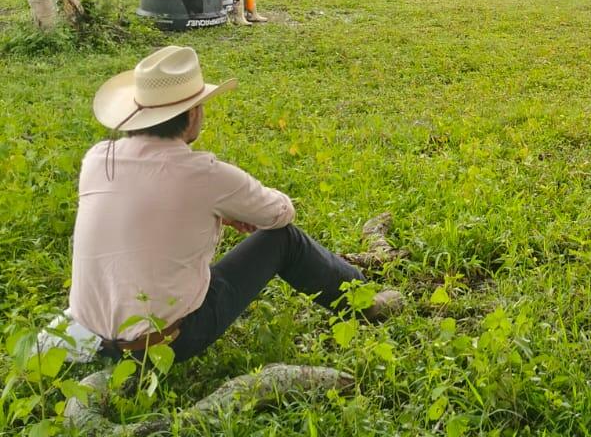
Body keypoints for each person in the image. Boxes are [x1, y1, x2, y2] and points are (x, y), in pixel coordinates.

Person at [67, 45, 402, 363]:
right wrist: (224, 207)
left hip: (91, 339)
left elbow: (147, 211)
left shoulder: (97, 159)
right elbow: (280, 212)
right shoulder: (201, 174)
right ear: (194, 113)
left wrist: (214, 213)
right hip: (167, 344)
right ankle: (361, 302)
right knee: (284, 240)